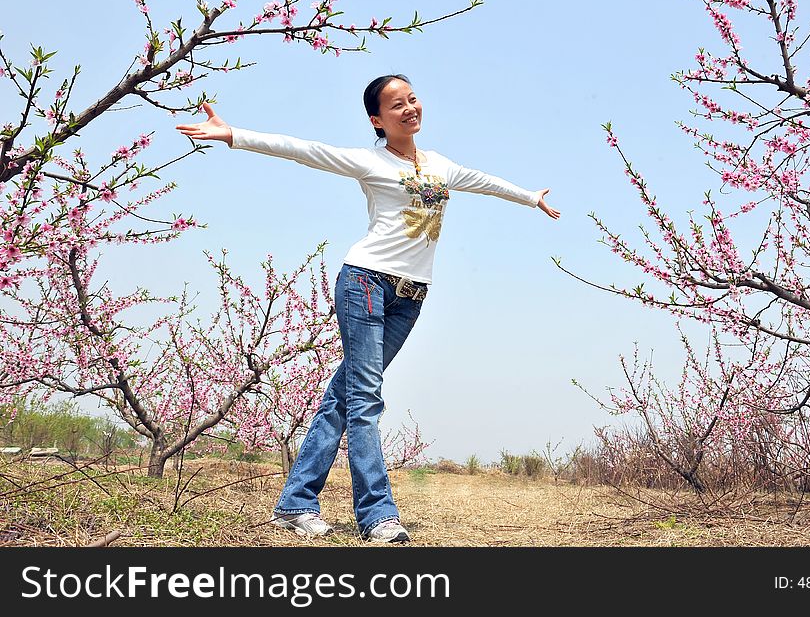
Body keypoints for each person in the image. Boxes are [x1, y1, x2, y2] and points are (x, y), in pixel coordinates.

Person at [176, 74, 561, 543]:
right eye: (396, 105)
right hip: (365, 281)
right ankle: (378, 514)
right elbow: (302, 149)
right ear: (378, 120)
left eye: (413, 99)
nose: (409, 108)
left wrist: (530, 197)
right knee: (364, 400)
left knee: (345, 396)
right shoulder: (369, 162)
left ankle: (295, 502)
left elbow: (484, 182)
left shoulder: (440, 164)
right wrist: (234, 135)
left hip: (412, 295)